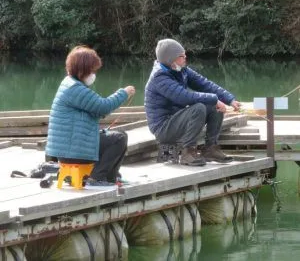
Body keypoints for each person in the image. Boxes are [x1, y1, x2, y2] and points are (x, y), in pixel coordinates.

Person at [46, 46, 135, 186]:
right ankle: (98, 177)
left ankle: (110, 177)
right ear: (82, 70)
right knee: (119, 138)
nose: (94, 74)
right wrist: (123, 93)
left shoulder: (69, 84)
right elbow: (103, 106)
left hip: (69, 148)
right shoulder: (75, 89)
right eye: (92, 70)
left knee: (117, 135)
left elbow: (95, 109)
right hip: (73, 150)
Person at [144, 38, 241, 166]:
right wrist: (214, 99)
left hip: (177, 120)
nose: (185, 58)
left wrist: (229, 99)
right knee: (199, 107)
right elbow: (184, 97)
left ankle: (210, 149)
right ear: (170, 59)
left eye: (185, 54)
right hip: (163, 128)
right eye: (181, 56)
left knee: (212, 106)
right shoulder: (159, 77)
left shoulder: (181, 69)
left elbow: (205, 84)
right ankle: (188, 152)